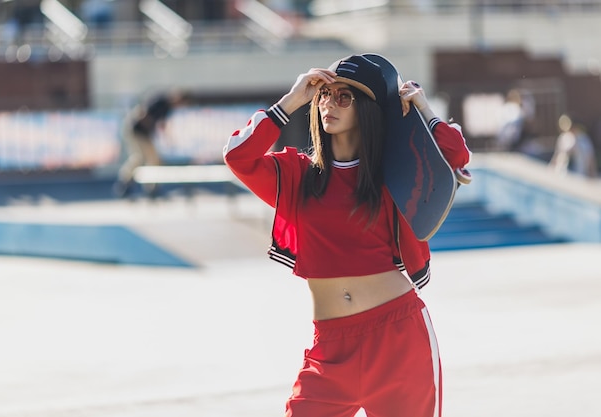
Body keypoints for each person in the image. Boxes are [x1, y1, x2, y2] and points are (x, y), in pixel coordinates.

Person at [223, 54, 471, 417]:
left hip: (399, 340)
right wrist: (293, 99)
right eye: (324, 94)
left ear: (369, 109)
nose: (328, 103)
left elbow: (457, 156)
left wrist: (423, 110)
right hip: (330, 350)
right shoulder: (297, 175)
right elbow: (237, 156)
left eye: (344, 97)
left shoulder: (393, 176)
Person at [114, 89, 190, 197]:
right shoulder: (161, 101)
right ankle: (125, 181)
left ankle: (152, 187)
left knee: (154, 159)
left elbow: (162, 124)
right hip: (136, 130)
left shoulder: (168, 108)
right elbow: (143, 113)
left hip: (144, 133)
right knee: (139, 157)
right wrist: (149, 124)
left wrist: (168, 139)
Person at [549, 114, 597, 178]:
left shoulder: (584, 141)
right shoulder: (564, 138)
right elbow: (558, 156)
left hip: (578, 177)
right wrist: (551, 170)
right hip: (562, 176)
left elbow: (591, 161)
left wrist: (593, 176)